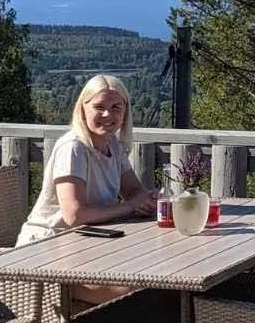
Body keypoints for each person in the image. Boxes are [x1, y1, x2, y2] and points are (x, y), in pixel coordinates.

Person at [16, 74, 156, 305]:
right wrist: (129, 206)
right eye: (99, 107)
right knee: (137, 287)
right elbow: (75, 215)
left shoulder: (113, 145)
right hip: (46, 253)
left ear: (125, 112)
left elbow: (134, 191)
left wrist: (147, 200)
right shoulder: (74, 149)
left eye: (115, 108)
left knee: (154, 274)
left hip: (87, 246)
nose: (107, 115)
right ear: (82, 109)